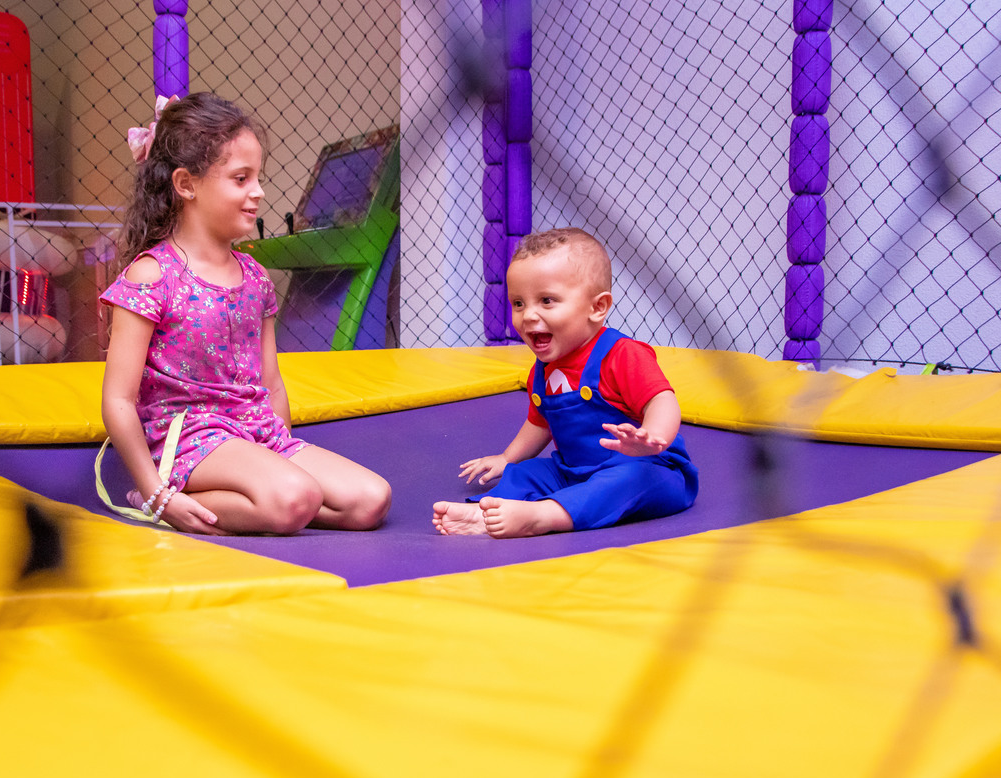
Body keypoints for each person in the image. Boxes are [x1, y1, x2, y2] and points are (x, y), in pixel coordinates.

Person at [101, 93, 391, 535]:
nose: (258, 191)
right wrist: (157, 491)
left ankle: (275, 498)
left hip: (254, 429)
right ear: (186, 184)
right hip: (192, 438)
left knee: (371, 501)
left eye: (257, 177)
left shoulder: (254, 277)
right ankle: (164, 500)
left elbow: (271, 382)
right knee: (295, 497)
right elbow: (118, 399)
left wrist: (281, 453)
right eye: (241, 179)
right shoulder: (152, 275)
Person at [432, 227, 698, 538]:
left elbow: (662, 399)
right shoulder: (541, 371)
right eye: (518, 303)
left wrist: (653, 435)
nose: (528, 315)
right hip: (575, 472)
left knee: (626, 480)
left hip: (652, 467)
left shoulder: (621, 354)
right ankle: (484, 512)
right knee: (528, 473)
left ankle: (543, 516)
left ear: (597, 308)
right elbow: (540, 422)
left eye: (546, 301)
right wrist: (507, 458)